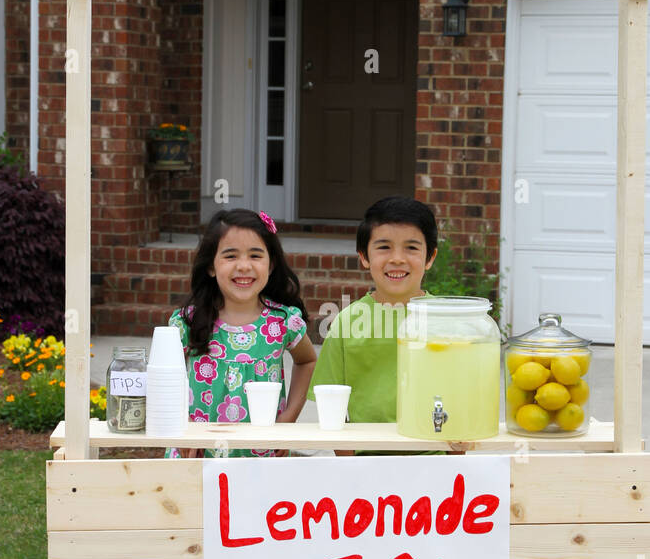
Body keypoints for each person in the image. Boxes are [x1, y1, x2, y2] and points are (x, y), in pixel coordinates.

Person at [307, 195, 462, 455]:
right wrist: (351, 464)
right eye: (384, 247)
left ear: (430, 257)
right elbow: (330, 407)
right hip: (365, 465)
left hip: (433, 461)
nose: (397, 259)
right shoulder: (346, 322)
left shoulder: (445, 321)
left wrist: (454, 463)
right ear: (364, 256)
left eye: (411, 248)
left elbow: (460, 399)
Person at [164, 208, 316, 460]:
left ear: (271, 264)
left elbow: (307, 360)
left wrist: (289, 419)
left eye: (255, 255)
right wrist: (183, 426)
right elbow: (164, 381)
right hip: (196, 455)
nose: (244, 266)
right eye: (230, 256)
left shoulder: (283, 322)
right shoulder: (186, 322)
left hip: (262, 459)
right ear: (211, 266)